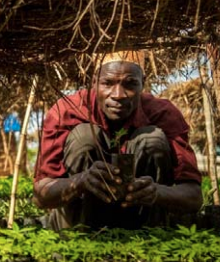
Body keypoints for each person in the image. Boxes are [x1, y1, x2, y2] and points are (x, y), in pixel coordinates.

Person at [33, 50, 203, 230]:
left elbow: (194, 197)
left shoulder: (163, 114)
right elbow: (40, 197)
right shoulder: (67, 111)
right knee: (84, 138)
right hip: (78, 228)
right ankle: (76, 234)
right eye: (107, 83)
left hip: (145, 229)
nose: (118, 94)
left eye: (130, 84)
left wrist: (157, 192)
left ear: (142, 85)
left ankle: (151, 232)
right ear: (94, 83)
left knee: (152, 139)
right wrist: (81, 182)